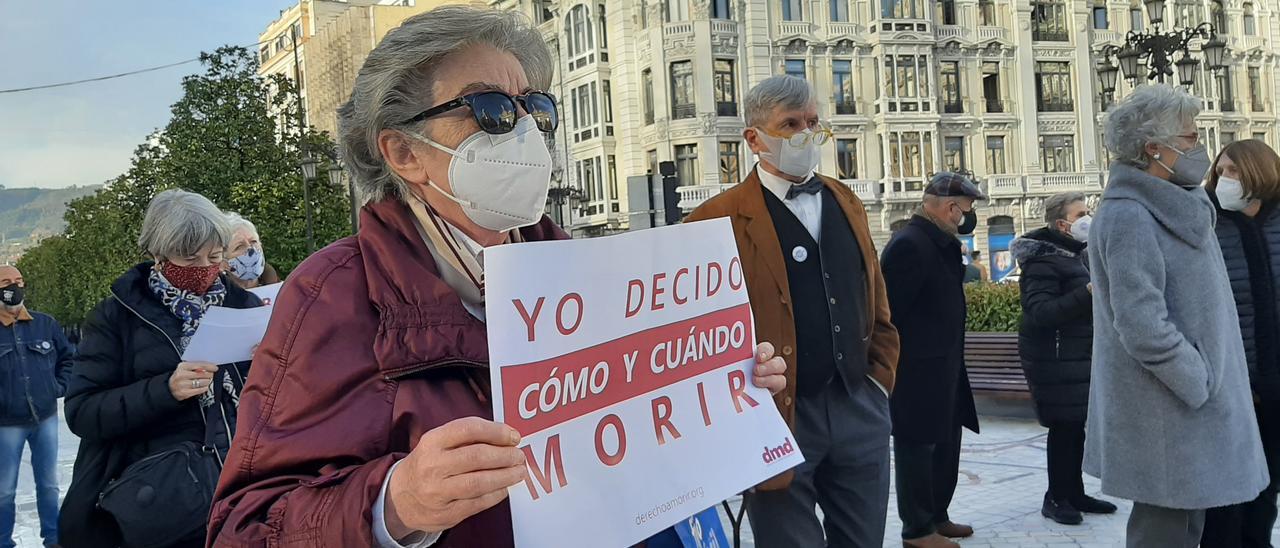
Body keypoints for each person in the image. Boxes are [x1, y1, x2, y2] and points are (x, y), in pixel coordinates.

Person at [206, 7, 788, 547]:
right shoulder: (332, 293)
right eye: (489, 109)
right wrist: (395, 504)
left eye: (535, 108)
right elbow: (246, 527)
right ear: (404, 152)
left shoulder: (579, 268)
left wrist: (718, 380)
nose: (524, 132)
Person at [684, 75, 900, 548]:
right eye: (790, 125)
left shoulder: (846, 201)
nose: (807, 134)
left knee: (864, 540)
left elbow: (874, 297)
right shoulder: (711, 221)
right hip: (773, 415)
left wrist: (878, 384)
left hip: (856, 404)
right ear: (754, 139)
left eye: (813, 122)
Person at [1087, 84, 1269, 547]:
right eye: (1189, 139)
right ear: (1155, 148)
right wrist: (1198, 379)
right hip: (1166, 412)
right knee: (1163, 533)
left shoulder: (1180, 204)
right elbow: (1141, 323)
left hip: (1191, 412)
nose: (1199, 149)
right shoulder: (1129, 215)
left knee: (1188, 529)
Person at [59, 189, 262, 547]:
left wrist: (272, 366)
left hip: (244, 485)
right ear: (157, 253)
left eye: (214, 256)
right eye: (188, 258)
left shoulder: (244, 305)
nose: (203, 269)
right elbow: (83, 412)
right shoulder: (117, 316)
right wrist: (164, 390)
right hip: (162, 500)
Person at [880, 172, 983, 548]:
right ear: (949, 207)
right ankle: (918, 529)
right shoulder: (911, 244)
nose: (965, 218)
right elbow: (889, 313)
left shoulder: (939, 243)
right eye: (964, 210)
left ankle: (938, 515)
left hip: (944, 367)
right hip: (916, 371)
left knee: (945, 443)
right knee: (917, 447)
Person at [1009, 192, 1117, 526]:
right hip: (1053, 358)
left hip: (1075, 355)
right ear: (1062, 223)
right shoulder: (1042, 261)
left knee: (1075, 426)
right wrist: (1086, 294)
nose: (1088, 218)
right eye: (1081, 213)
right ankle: (1056, 498)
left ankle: (1074, 492)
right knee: (1063, 427)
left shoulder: (1076, 255)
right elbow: (1040, 312)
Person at [1202, 139, 1280, 547]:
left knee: (1268, 486)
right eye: (1220, 171)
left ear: (1259, 175)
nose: (1223, 180)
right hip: (1229, 382)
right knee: (1225, 492)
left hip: (1276, 380)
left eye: (1234, 171)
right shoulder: (1205, 222)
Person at [0, 265, 71, 548]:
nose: (15, 287)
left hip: (45, 418)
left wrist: (57, 388)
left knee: (50, 486)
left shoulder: (45, 324)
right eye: (7, 282)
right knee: (4, 491)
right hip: (5, 424)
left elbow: (68, 359)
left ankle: (54, 540)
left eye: (19, 281)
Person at [223, 213, 280, 290]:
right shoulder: (216, 298)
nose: (251, 250)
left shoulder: (282, 290)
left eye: (253, 242)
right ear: (223, 263)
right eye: (240, 246)